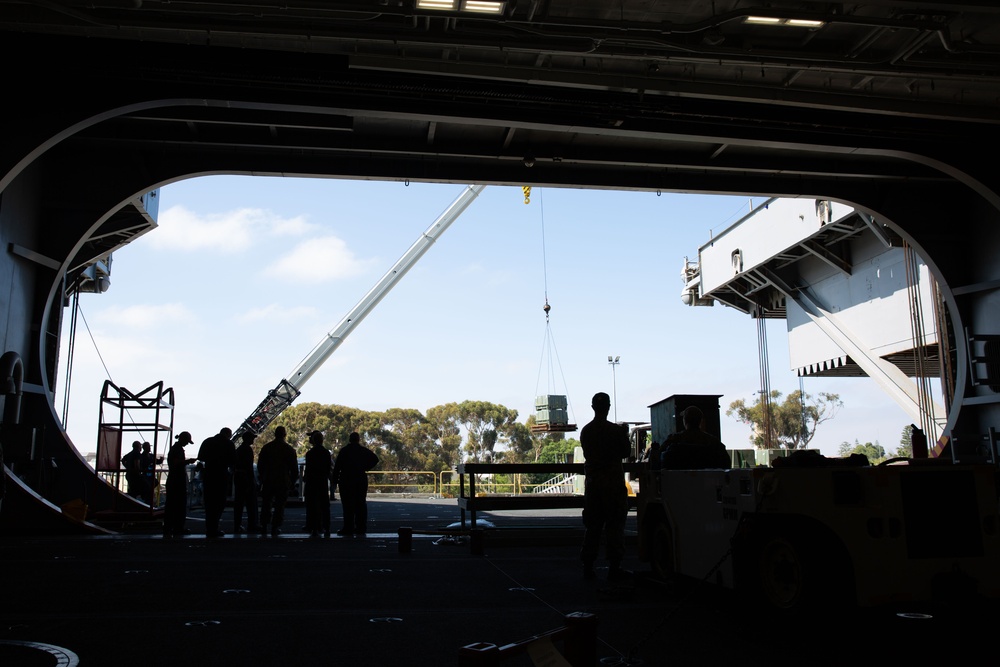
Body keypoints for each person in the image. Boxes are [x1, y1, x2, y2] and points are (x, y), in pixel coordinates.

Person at [579, 391, 631, 581]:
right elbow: (625, 452)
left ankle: (588, 565)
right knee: (615, 527)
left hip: (593, 487)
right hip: (613, 487)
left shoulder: (586, 431)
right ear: (608, 407)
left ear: (593, 407)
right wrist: (624, 435)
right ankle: (614, 567)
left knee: (593, 527)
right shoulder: (615, 431)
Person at [331, 431, 379, 536]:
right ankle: (361, 527)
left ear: (349, 439)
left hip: (346, 479)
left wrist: (334, 481)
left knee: (347, 505)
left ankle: (348, 527)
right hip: (360, 479)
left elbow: (337, 467)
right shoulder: (363, 451)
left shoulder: (344, 451)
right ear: (358, 440)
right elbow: (375, 459)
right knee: (360, 504)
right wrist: (366, 467)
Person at [257, 425, 299, 536]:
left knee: (266, 504)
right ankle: (275, 527)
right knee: (280, 505)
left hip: (269, 480)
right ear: (285, 435)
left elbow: (260, 465)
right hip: (282, 481)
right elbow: (294, 469)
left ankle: (264, 525)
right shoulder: (289, 449)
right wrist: (292, 482)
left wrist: (262, 477)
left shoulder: (267, 448)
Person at [659, 406, 730, 470]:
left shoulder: (674, 439)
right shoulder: (713, 442)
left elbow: (658, 457)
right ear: (700, 421)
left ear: (684, 421)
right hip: (709, 482)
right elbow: (726, 463)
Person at [197, 427, 236, 538]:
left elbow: (201, 457)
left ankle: (210, 528)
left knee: (209, 503)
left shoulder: (207, 441)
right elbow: (233, 461)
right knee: (219, 503)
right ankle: (214, 527)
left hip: (209, 475)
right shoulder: (229, 444)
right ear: (228, 434)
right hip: (221, 476)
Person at [163, 431, 196, 537]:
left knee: (172, 506)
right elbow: (176, 462)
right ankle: (177, 528)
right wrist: (187, 461)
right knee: (179, 505)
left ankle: (171, 528)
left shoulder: (175, 448)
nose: (187, 444)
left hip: (173, 480)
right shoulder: (178, 450)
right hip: (177, 481)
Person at [303, 430, 333, 538]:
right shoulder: (326, 453)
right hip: (322, 481)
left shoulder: (310, 453)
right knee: (325, 506)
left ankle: (314, 527)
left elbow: (309, 468)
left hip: (312, 482)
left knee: (312, 505)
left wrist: (305, 478)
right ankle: (327, 528)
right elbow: (328, 468)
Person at [232, 432, 259, 534]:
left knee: (239, 503)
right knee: (251, 503)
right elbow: (248, 467)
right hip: (246, 478)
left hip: (239, 478)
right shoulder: (247, 450)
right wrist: (253, 480)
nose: (253, 440)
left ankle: (237, 525)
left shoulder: (239, 449)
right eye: (252, 438)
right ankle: (252, 525)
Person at [139, 441, 162, 505]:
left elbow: (157, 462)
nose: (150, 448)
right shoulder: (143, 456)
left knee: (152, 485)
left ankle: (148, 501)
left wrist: (160, 460)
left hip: (150, 476)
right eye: (148, 447)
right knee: (149, 488)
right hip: (146, 476)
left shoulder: (150, 456)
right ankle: (148, 502)